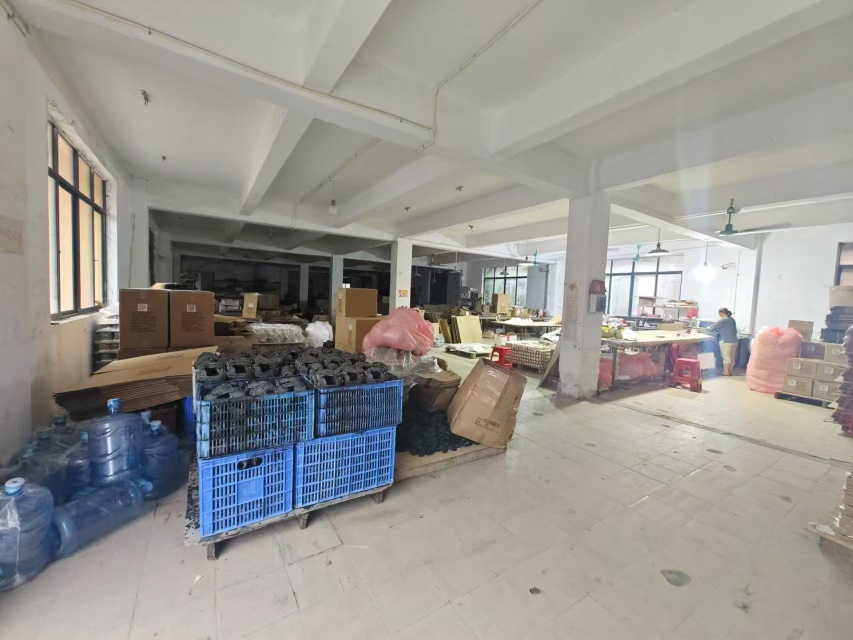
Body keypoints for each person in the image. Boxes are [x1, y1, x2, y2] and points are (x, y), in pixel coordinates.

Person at [704, 308, 738, 375]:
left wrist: (705, 328)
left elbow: (711, 328)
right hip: (734, 341)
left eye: (719, 314)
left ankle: (726, 372)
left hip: (726, 341)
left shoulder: (723, 320)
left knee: (726, 357)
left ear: (721, 313)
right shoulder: (732, 319)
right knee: (732, 357)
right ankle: (730, 371)